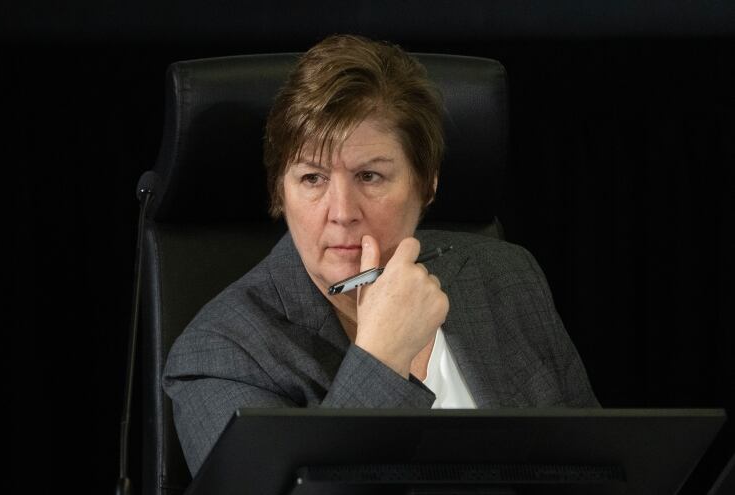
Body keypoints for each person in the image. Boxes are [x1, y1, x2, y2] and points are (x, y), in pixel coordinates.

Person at [163, 34, 599, 476]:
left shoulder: (505, 276)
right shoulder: (220, 354)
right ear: (280, 189)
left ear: (427, 183)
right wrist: (381, 357)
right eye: (312, 178)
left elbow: (597, 473)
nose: (342, 213)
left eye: (370, 176)